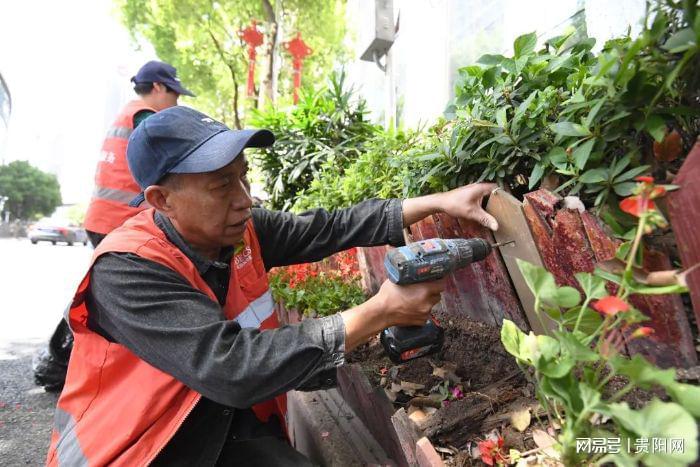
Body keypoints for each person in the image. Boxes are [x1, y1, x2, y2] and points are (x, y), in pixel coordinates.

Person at [46, 106, 499, 466]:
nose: (244, 199)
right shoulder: (127, 270)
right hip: (139, 449)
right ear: (162, 200)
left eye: (243, 176)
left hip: (214, 418)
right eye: (222, 186)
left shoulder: (237, 230)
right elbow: (232, 368)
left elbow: (326, 228)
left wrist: (437, 202)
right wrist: (380, 311)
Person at [32, 61, 195, 392]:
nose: (176, 101)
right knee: (112, 297)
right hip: (120, 221)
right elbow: (171, 160)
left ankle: (61, 363)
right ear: (159, 87)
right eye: (174, 93)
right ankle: (61, 363)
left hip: (104, 218)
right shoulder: (145, 116)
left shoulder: (127, 113)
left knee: (102, 295)